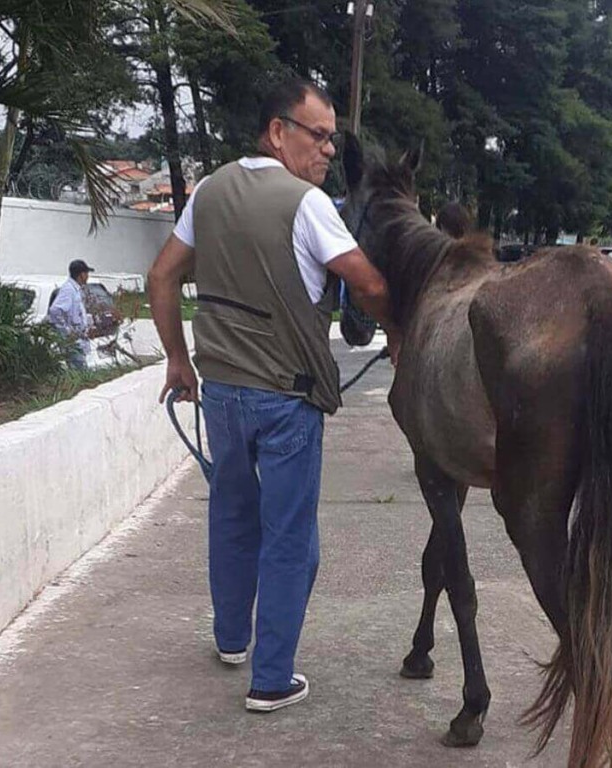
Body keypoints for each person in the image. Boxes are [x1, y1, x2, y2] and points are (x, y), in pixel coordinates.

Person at [146, 78, 399, 714]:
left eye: (332, 140)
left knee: (232, 515)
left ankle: (232, 639)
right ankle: (271, 678)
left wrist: (177, 359)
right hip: (287, 397)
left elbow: (162, 276)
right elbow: (368, 284)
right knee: (289, 538)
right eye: (319, 136)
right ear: (278, 131)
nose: (328, 151)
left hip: (222, 394)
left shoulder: (209, 190)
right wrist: (398, 330)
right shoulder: (306, 204)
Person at [48, 259, 95, 371]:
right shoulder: (68, 289)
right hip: (73, 341)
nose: (88, 276)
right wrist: (67, 331)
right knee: (80, 371)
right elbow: (55, 311)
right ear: (81, 275)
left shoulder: (75, 289)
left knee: (81, 369)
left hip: (79, 338)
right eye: (86, 273)